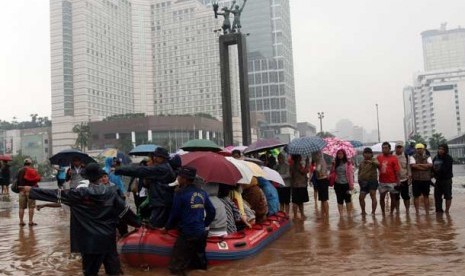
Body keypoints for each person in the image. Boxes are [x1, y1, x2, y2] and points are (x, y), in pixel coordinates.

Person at [20, 163, 141, 276]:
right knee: (114, 272)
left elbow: (56, 194)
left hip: (89, 243)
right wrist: (139, 224)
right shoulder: (111, 193)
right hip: (108, 241)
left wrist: (31, 190)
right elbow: (126, 212)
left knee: (90, 272)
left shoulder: (78, 194)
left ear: (87, 178)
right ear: (100, 177)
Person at [163, 166, 216, 275]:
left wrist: (167, 228)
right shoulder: (202, 193)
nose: (178, 179)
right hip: (201, 233)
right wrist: (204, 224)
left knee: (176, 267)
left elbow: (174, 214)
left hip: (187, 233)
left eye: (179, 177)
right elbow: (212, 211)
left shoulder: (180, 194)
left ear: (185, 179)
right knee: (200, 264)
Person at [115, 147, 176, 228]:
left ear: (162, 158)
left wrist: (120, 169)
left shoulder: (162, 168)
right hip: (160, 201)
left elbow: (140, 170)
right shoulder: (164, 167)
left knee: (155, 227)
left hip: (161, 203)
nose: (154, 158)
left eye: (156, 157)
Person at [377, 142, 400, 215]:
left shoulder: (394, 158)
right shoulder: (379, 157)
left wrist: (398, 181)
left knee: (393, 198)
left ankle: (391, 212)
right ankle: (383, 213)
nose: (384, 149)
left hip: (392, 181)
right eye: (383, 148)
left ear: (389, 149)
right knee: (381, 198)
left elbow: (397, 171)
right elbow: (376, 166)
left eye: (386, 148)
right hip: (382, 181)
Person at [410, 143, 433, 214]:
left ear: (424, 149)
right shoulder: (412, 157)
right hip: (416, 179)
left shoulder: (428, 156)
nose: (419, 150)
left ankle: (427, 212)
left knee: (426, 195)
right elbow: (413, 166)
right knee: (416, 196)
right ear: (416, 149)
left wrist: (419, 165)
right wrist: (425, 167)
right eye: (418, 149)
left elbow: (430, 165)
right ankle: (417, 212)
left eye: (421, 148)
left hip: (426, 179)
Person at [17, 158, 41, 227]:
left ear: (24, 163)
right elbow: (37, 180)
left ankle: (21, 221)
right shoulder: (32, 170)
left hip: (21, 190)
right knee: (31, 207)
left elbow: (17, 181)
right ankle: (30, 221)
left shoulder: (19, 170)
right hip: (30, 190)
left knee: (21, 207)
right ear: (30, 164)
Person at [330, 149, 354, 216]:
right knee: (339, 200)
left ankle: (349, 214)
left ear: (344, 155)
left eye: (341, 154)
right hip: (337, 184)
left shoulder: (348, 163)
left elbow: (350, 175)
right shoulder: (335, 163)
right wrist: (332, 165)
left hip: (346, 184)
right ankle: (341, 215)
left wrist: (351, 185)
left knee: (348, 199)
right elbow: (331, 173)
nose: (340, 155)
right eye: (338, 154)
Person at [432, 144, 454, 213]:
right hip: (438, 180)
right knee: (437, 197)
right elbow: (432, 167)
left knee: (448, 196)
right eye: (439, 149)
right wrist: (433, 173)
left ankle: (447, 211)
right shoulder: (436, 158)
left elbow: (445, 169)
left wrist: (436, 171)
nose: (440, 150)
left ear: (445, 150)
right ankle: (438, 211)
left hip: (446, 180)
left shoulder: (448, 158)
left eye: (442, 149)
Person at [358, 147, 379, 215]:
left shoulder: (374, 160)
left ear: (371, 154)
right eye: (365, 153)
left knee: (373, 195)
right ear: (363, 154)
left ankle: (373, 212)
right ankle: (363, 211)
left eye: (368, 153)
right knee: (361, 197)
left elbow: (378, 164)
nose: (367, 155)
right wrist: (359, 180)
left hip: (372, 181)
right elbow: (359, 172)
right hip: (363, 182)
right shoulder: (362, 162)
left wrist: (371, 162)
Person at [289, 154, 309, 220]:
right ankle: (301, 215)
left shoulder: (292, 165)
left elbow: (291, 176)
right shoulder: (298, 165)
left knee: (296, 201)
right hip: (300, 185)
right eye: (300, 156)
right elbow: (305, 171)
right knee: (299, 202)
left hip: (294, 185)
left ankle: (296, 216)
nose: (301, 157)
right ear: (298, 158)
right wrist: (307, 163)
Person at [394, 142, 411, 213]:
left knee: (406, 196)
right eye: (397, 147)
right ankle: (397, 210)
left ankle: (407, 210)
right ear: (395, 148)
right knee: (396, 196)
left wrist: (410, 177)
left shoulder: (407, 156)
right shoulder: (392, 156)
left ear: (403, 148)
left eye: (400, 147)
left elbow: (408, 168)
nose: (399, 149)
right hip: (394, 180)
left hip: (404, 179)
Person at [312, 151, 330, 217]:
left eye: (314, 155)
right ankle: (324, 214)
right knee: (322, 199)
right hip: (321, 181)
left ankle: (327, 214)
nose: (313, 157)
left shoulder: (320, 161)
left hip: (323, 181)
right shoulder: (319, 161)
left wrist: (316, 169)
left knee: (324, 199)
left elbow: (318, 171)